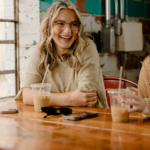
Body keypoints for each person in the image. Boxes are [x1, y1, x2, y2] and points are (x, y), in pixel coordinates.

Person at [15, 0, 108, 108]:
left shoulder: (86, 47)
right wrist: (70, 99)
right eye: (60, 24)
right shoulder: (41, 50)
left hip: (89, 119)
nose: (68, 31)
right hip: (53, 119)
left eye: (73, 24)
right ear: (48, 27)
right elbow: (26, 95)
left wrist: (44, 97)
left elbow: (85, 98)